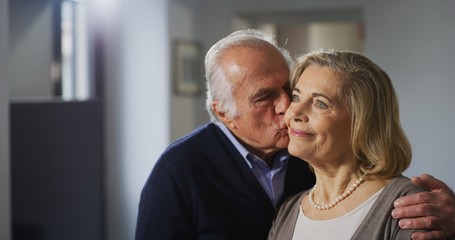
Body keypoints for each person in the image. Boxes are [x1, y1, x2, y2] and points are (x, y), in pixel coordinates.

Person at [136, 29, 455, 240]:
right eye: (264, 97)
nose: (288, 108)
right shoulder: (178, 170)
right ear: (223, 112)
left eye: (289, 90)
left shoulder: (402, 204)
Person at [267, 49, 446, 239]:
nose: (294, 113)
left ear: (362, 122)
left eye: (320, 104)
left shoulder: (412, 207)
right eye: (296, 97)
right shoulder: (288, 211)